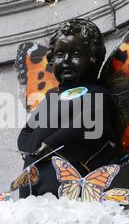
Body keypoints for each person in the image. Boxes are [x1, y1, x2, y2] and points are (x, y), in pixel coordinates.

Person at [18, 19, 120, 198]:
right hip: (33, 175)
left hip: (68, 176)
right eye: (59, 55)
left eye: (75, 54)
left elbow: (88, 126)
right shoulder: (51, 98)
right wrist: (29, 150)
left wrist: (51, 145)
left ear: (93, 58)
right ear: (50, 60)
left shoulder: (97, 94)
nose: (65, 61)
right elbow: (27, 130)